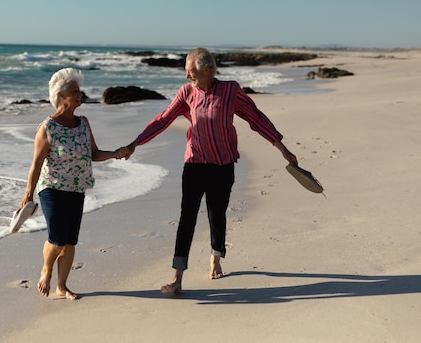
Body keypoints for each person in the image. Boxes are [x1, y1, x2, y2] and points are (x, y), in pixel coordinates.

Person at [124, 47, 297, 294]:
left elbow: (256, 119)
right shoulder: (187, 92)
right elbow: (164, 119)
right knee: (187, 218)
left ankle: (216, 255)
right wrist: (135, 144)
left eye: (190, 72)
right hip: (194, 163)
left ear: (207, 70)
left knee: (217, 214)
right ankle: (178, 278)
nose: (186, 77)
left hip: (223, 165)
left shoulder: (230, 91)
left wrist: (283, 149)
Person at [19, 67, 129, 300]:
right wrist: (28, 194)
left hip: (77, 188)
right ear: (61, 95)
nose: (80, 94)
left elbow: (94, 153)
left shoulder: (83, 123)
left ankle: (62, 286)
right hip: (52, 188)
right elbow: (36, 164)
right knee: (58, 238)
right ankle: (46, 268)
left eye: (80, 90)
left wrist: (115, 154)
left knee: (69, 242)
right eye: (75, 91)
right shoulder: (47, 127)